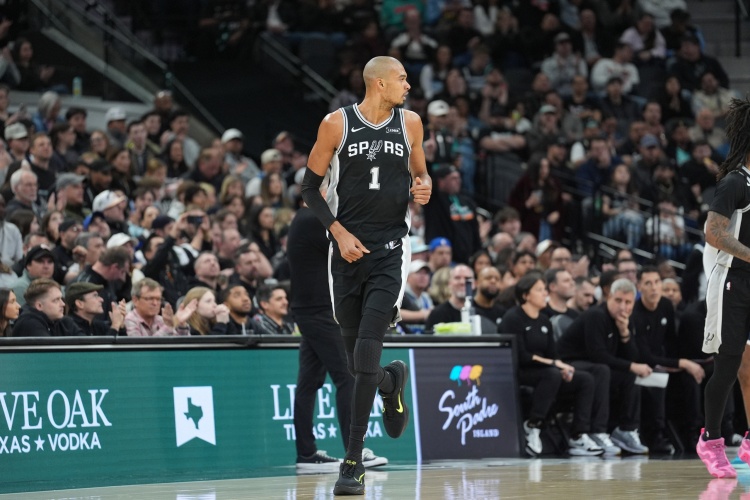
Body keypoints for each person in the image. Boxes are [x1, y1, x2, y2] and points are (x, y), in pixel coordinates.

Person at [300, 56, 431, 495]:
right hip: (346, 254)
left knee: (366, 351)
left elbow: (421, 175)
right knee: (361, 365)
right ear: (379, 84)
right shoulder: (336, 124)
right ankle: (391, 381)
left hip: (390, 252)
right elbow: (308, 188)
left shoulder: (411, 124)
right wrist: (337, 233)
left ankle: (352, 462)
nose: (408, 85)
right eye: (402, 79)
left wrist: (424, 186)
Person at [288, 201, 388, 472]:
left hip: (314, 309)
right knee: (348, 375)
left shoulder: (307, 218)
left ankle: (306, 454)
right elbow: (352, 249)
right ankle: (354, 452)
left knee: (309, 382)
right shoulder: (312, 218)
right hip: (318, 311)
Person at [499, 272, 605, 457]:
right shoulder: (513, 318)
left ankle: (578, 435)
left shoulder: (544, 320)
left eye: (545, 290)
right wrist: (554, 364)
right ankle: (533, 425)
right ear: (526, 295)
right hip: (520, 372)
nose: (545, 294)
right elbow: (521, 355)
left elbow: (553, 354)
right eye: (539, 290)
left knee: (584, 379)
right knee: (552, 374)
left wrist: (563, 367)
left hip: (546, 373)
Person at [699, 98, 750, 478]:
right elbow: (713, 233)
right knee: (727, 365)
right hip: (732, 280)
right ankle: (711, 440)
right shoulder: (734, 182)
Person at [556, 278, 652, 454]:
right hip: (568, 364)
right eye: (618, 300)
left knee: (630, 376)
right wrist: (631, 365)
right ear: (609, 297)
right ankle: (597, 431)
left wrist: (624, 334)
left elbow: (633, 357)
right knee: (603, 370)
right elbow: (598, 355)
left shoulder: (625, 320)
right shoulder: (596, 316)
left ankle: (626, 430)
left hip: (595, 368)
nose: (623, 307)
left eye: (628, 302)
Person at [125, 278, 190, 337]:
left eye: (158, 299)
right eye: (150, 298)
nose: (155, 303)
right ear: (135, 300)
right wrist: (167, 327)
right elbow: (139, 345)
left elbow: (180, 344)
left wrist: (181, 324)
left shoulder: (161, 320)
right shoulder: (129, 320)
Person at [12, 279, 78, 337]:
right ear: (39, 306)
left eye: (61, 299)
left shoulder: (62, 321)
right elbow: (49, 347)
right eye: (56, 300)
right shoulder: (29, 323)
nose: (63, 304)